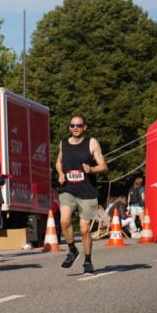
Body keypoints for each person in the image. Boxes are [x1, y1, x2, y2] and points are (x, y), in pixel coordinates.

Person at [56, 114, 108, 274]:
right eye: (72, 125)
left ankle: (87, 261)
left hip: (87, 191)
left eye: (79, 125)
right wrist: (60, 173)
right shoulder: (63, 143)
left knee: (84, 229)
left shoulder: (91, 143)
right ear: (69, 127)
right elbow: (59, 161)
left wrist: (91, 169)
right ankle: (72, 250)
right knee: (64, 221)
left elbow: (104, 166)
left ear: (84, 127)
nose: (75, 128)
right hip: (69, 189)